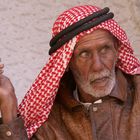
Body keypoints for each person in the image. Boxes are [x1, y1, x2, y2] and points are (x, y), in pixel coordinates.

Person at [0, 5, 140, 140]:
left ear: (117, 50)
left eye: (105, 49)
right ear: (66, 62)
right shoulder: (50, 121)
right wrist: (8, 106)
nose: (97, 66)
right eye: (84, 54)